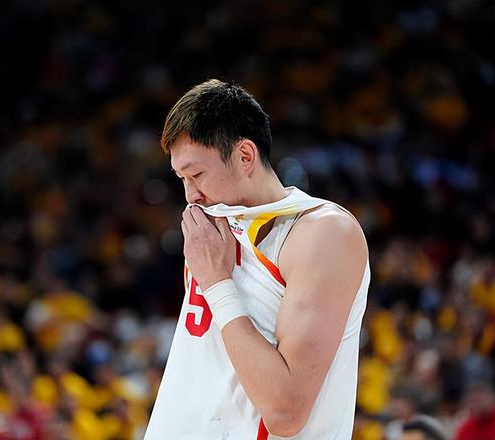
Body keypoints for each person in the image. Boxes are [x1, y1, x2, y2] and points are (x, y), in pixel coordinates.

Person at [144, 79, 370, 439]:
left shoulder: (323, 233)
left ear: (245, 156)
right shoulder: (212, 232)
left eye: (197, 174)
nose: (190, 195)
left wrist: (218, 284)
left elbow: (285, 412)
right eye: (181, 178)